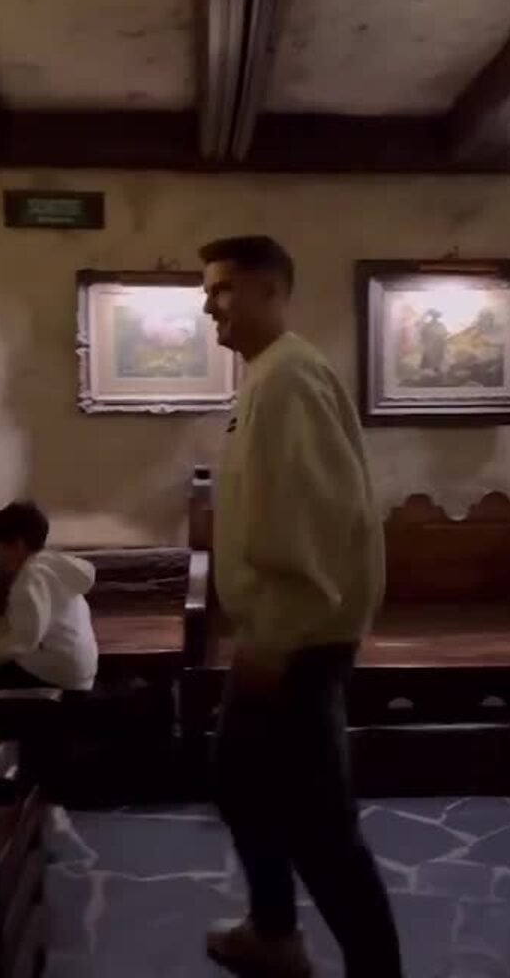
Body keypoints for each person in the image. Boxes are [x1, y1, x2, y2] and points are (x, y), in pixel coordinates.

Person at [198, 235, 401, 978]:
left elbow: (309, 522)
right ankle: (273, 931)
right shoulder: (270, 375)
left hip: (296, 638)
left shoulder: (287, 379)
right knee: (238, 781)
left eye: (223, 289)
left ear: (270, 290)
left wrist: (276, 639)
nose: (210, 306)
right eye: (207, 292)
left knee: (320, 827)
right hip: (283, 631)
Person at [0, 501, 98, 693]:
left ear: (18, 544)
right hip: (81, 671)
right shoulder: (53, 567)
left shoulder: (31, 579)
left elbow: (25, 639)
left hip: (61, 675)